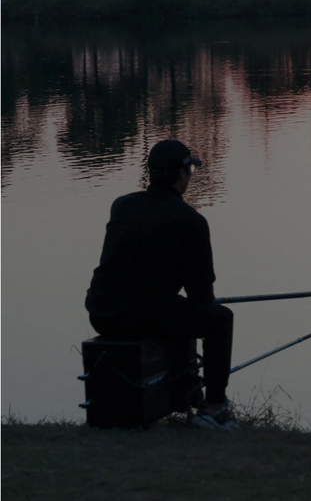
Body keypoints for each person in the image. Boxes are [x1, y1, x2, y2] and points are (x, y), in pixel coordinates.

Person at [85, 139, 238, 430]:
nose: (190, 176)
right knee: (219, 320)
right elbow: (201, 294)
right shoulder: (192, 221)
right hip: (139, 316)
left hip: (102, 313)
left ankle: (185, 394)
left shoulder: (122, 206)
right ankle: (214, 408)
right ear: (182, 174)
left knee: (175, 310)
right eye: (190, 169)